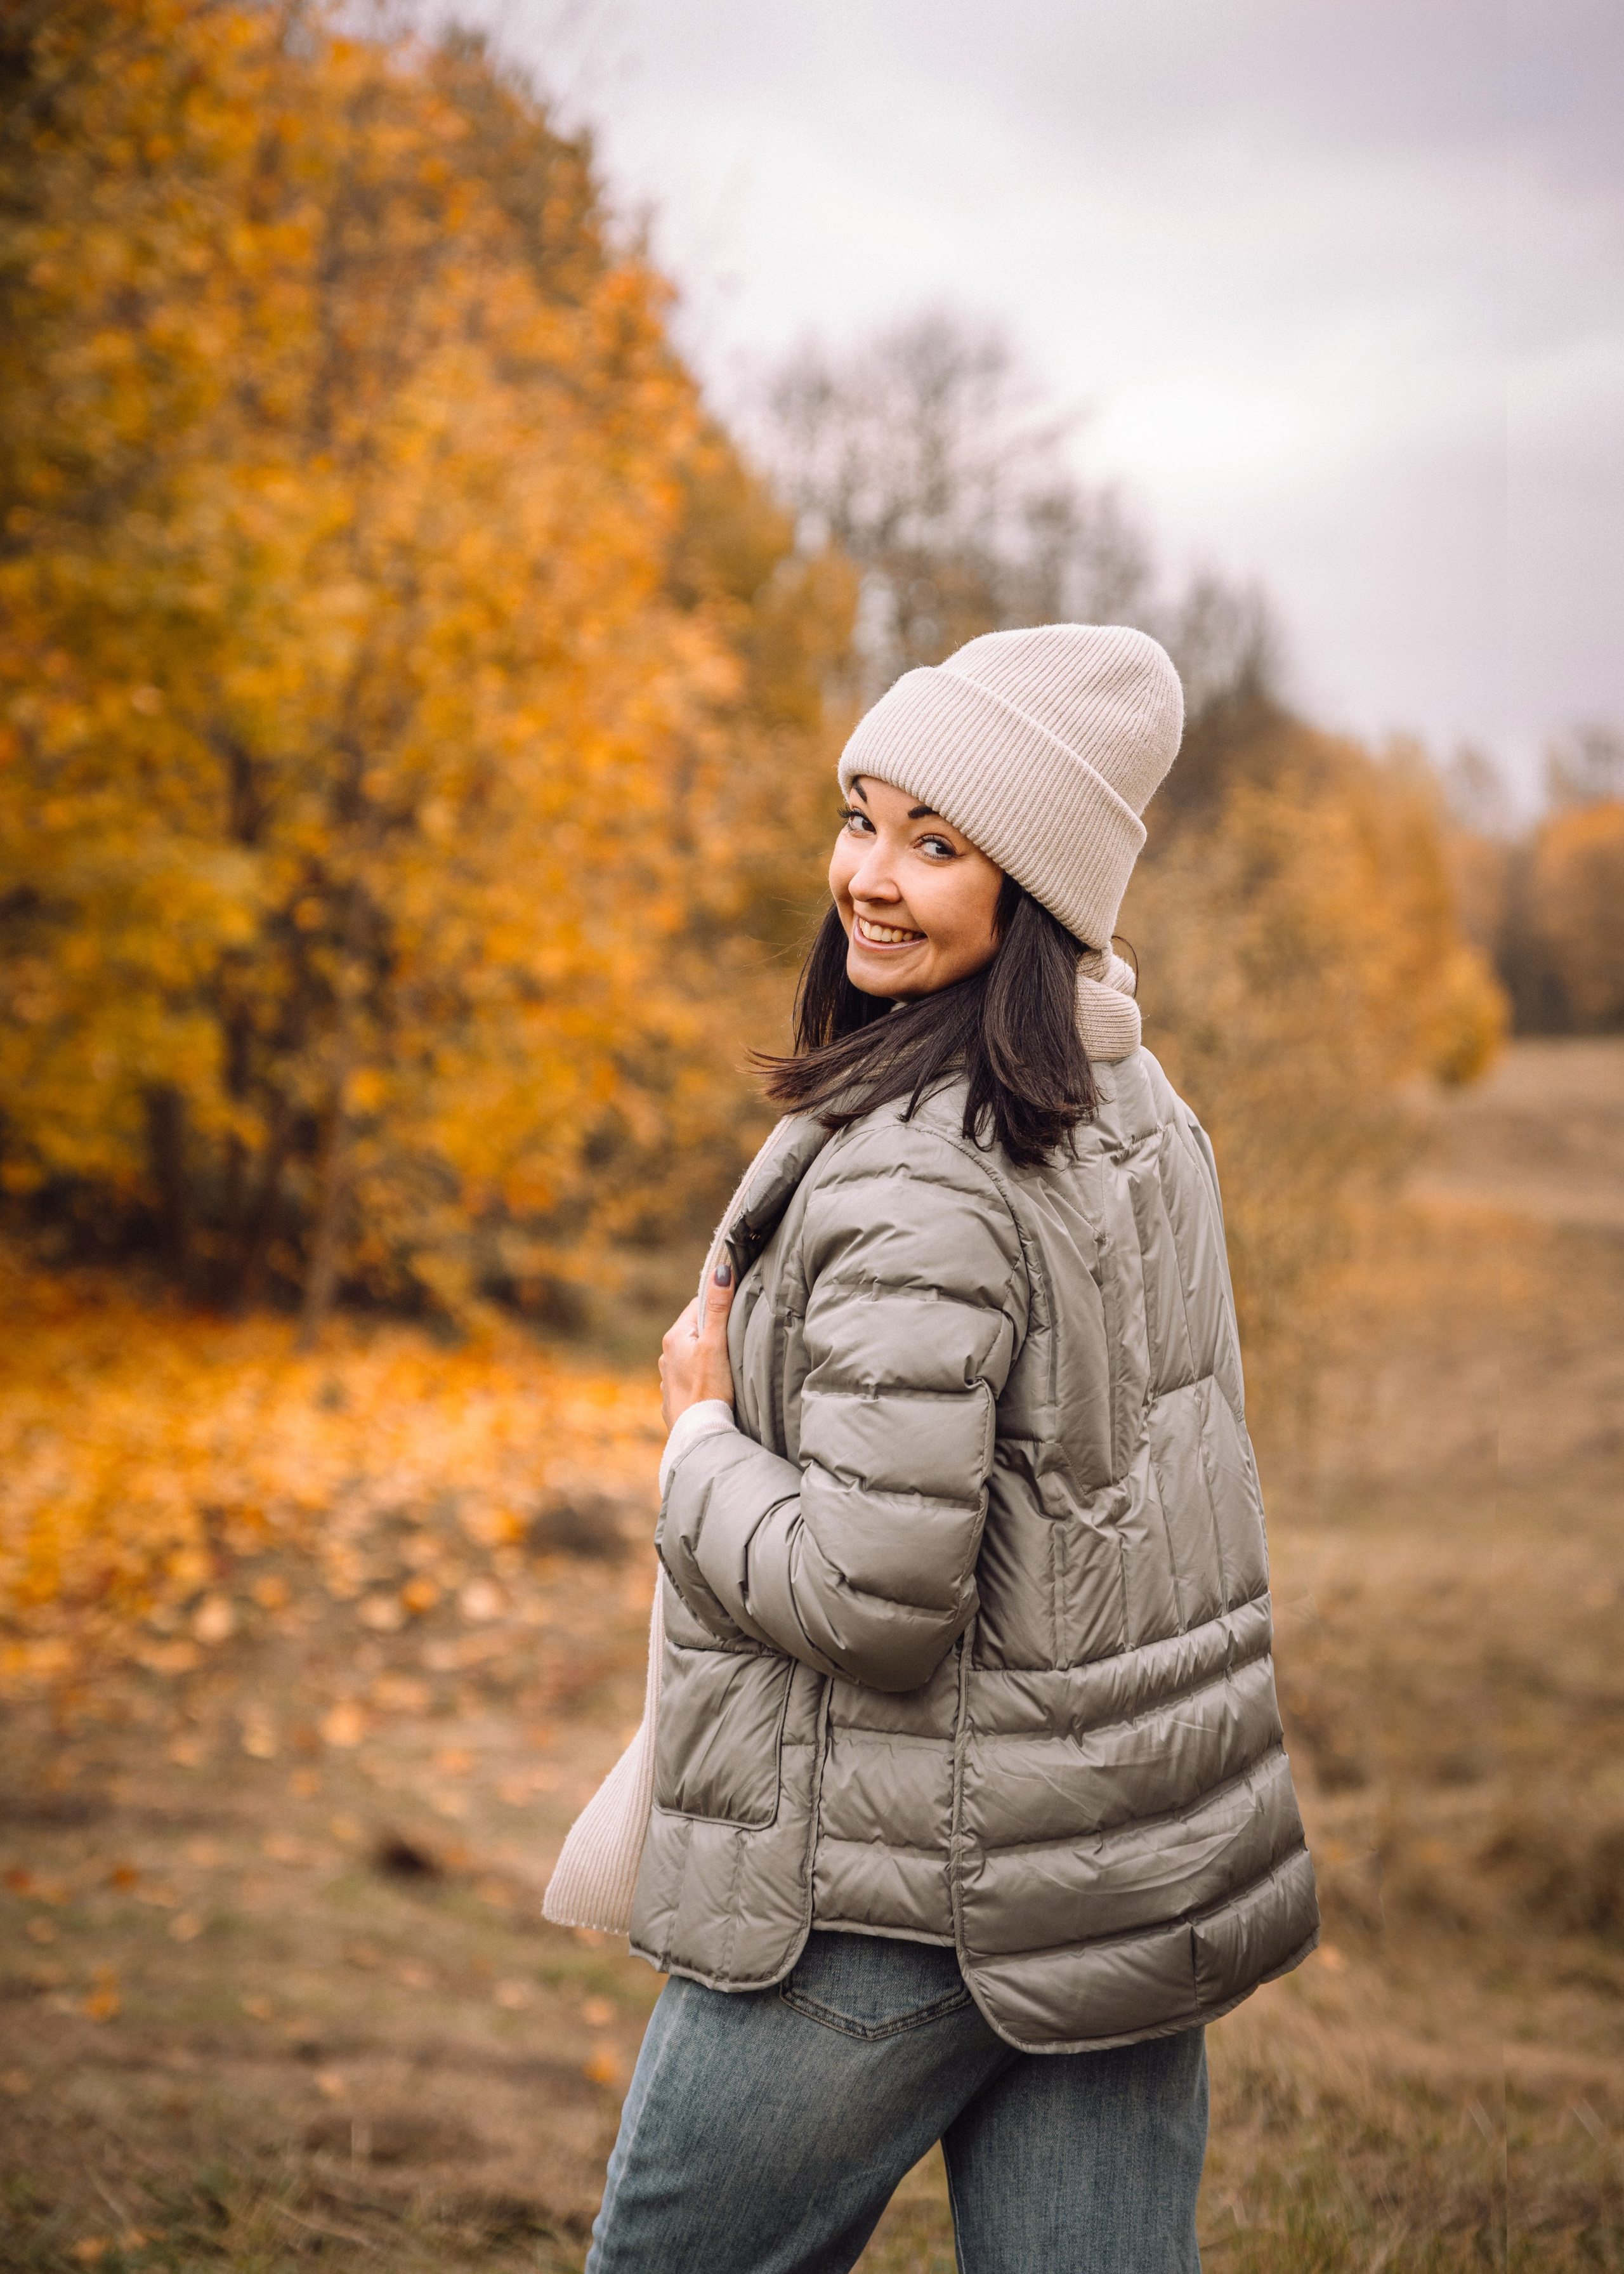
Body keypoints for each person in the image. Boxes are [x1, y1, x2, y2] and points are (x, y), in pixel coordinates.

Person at [563, 624, 1318, 2273]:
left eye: (935, 842)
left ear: (1034, 887)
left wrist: (697, 1449)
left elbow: (875, 1592)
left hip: (890, 1894)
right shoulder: (1137, 1113)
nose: (869, 878)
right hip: (1119, 1871)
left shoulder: (925, 1165)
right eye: (862, 817)